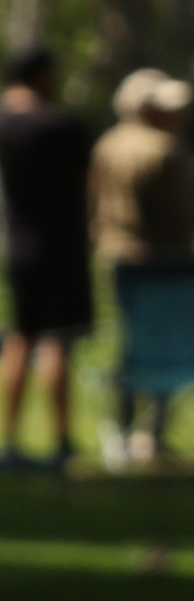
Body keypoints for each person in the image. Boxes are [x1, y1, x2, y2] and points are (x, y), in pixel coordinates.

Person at [91, 65, 194, 462]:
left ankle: (122, 426)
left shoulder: (106, 145)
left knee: (130, 342)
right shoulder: (161, 149)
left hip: (114, 258)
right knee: (160, 346)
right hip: (159, 262)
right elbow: (176, 217)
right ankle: (152, 431)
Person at [0, 42, 92, 469]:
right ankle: (61, 439)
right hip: (59, 246)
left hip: (16, 247)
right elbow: (86, 181)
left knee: (21, 338)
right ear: (43, 74)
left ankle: (10, 439)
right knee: (57, 341)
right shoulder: (60, 125)